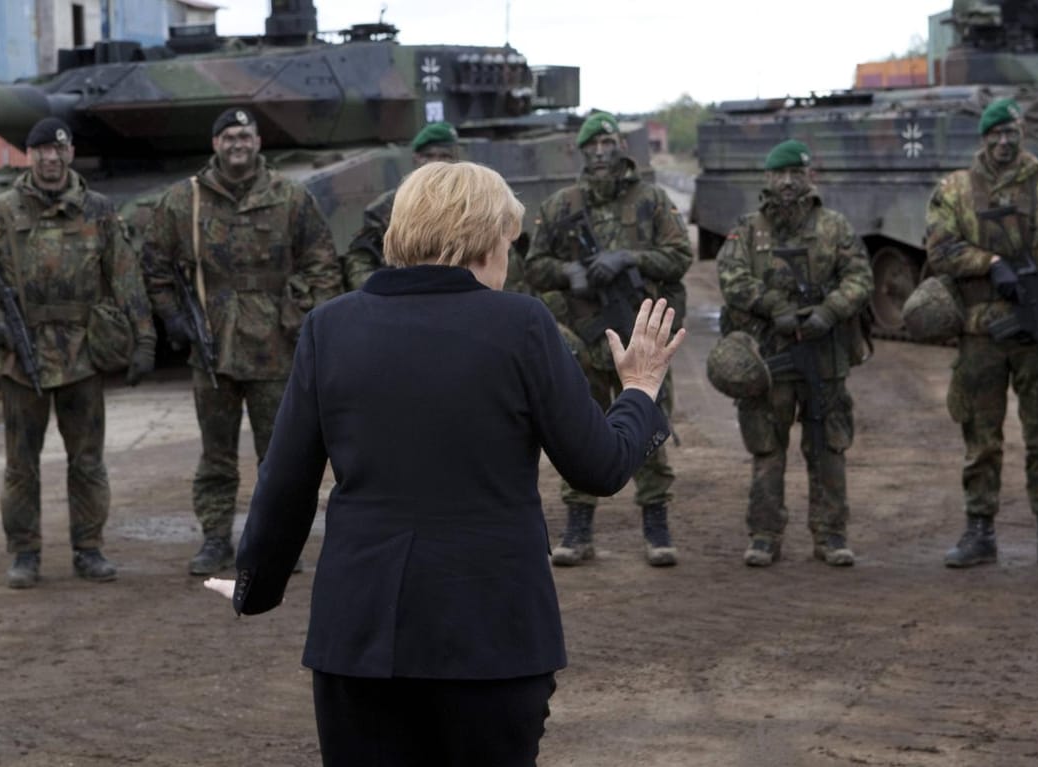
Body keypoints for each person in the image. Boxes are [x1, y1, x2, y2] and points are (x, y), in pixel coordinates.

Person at [229, 161, 683, 766]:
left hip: (360, 639)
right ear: (483, 236)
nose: (508, 256)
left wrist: (253, 585)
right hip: (492, 638)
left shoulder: (329, 328)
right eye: (506, 241)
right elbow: (599, 468)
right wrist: (640, 391)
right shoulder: (521, 324)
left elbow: (285, 484)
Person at [0, 117, 156, 588]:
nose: (50, 158)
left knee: (87, 462)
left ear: (70, 153)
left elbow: (126, 276)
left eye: (58, 149)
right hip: (21, 357)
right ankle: (25, 553)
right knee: (20, 466)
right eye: (41, 150)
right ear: (30, 155)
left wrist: (144, 338)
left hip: (82, 353)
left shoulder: (99, 210)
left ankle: (89, 549)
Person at [141, 107, 341, 575]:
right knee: (216, 455)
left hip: (276, 346)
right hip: (212, 345)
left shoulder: (290, 197)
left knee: (281, 456)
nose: (238, 143)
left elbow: (322, 264)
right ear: (215, 144)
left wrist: (299, 314)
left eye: (245, 135)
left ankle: (276, 541)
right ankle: (214, 540)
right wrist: (173, 318)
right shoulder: (183, 201)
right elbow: (153, 264)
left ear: (258, 142)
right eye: (229, 135)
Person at [926, 97, 1038, 572]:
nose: (1004, 142)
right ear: (983, 138)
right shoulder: (955, 191)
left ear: (1023, 134)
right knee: (980, 438)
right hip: (982, 334)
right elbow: (939, 250)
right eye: (995, 134)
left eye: (1011, 132)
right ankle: (979, 530)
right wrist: (990, 264)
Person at [524, 110, 693, 567]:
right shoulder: (561, 205)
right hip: (583, 338)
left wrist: (628, 259)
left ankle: (656, 526)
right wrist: (571, 272)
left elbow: (680, 256)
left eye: (608, 144)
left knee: (650, 429)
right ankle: (578, 530)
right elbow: (533, 266)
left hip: (643, 339)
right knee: (579, 432)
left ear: (622, 147)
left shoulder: (652, 200)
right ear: (582, 152)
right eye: (591, 147)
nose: (600, 154)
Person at [714, 139, 874, 567]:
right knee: (767, 449)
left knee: (828, 447)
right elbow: (731, 277)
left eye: (795, 173)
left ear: (809, 177)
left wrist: (829, 311)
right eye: (779, 174)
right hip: (769, 359)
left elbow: (860, 277)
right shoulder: (748, 229)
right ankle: (765, 535)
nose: (787, 182)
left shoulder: (834, 227)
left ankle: (831, 535)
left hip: (825, 358)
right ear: (767, 179)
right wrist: (774, 307)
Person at [342, 121, 532, 294]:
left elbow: (504, 265)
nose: (436, 162)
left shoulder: (476, 206)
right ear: (416, 159)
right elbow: (360, 259)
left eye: (444, 156)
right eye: (429, 156)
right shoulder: (388, 207)